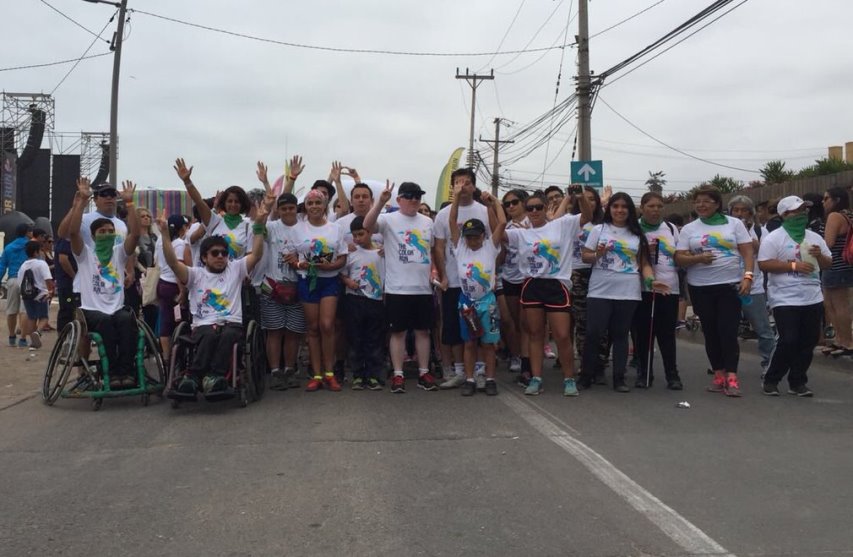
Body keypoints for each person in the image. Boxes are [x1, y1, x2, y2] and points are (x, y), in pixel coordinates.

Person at [159, 191, 272, 399]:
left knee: (227, 334)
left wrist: (259, 223)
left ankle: (214, 377)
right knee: (209, 333)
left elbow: (255, 254)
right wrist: (165, 235)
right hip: (203, 324)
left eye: (224, 253)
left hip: (231, 322)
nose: (220, 257)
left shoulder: (236, 268)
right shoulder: (195, 274)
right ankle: (192, 377)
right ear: (204, 257)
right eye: (215, 253)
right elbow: (174, 263)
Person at [504, 188, 593, 396]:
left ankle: (569, 379)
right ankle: (536, 378)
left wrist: (579, 197)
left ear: (546, 208)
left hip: (556, 285)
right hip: (532, 285)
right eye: (530, 208)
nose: (534, 211)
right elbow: (497, 235)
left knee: (562, 335)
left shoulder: (562, 224)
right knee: (535, 334)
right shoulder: (521, 233)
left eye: (538, 207)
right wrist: (493, 208)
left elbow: (587, 216)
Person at [580, 192, 666, 392]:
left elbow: (643, 263)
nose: (619, 210)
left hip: (628, 291)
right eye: (615, 206)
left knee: (620, 335)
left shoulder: (636, 234)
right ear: (609, 209)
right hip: (599, 290)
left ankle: (619, 378)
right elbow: (585, 257)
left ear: (630, 210)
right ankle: (586, 375)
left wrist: (651, 281)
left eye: (624, 207)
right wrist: (597, 254)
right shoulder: (598, 230)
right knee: (594, 333)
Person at [675, 185, 754, 397]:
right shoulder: (690, 229)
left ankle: (732, 377)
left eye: (706, 201)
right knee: (710, 332)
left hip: (729, 285)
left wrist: (747, 277)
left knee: (728, 331)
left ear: (717, 204)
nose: (701, 205)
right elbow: (679, 257)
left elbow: (747, 252)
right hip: (700, 288)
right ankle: (718, 374)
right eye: (697, 201)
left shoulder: (734, 224)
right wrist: (698, 259)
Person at [363, 180, 439, 393]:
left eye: (418, 196)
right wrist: (380, 202)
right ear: (399, 199)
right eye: (409, 196)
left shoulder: (427, 222)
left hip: (423, 288)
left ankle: (424, 372)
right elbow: (367, 225)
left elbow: (431, 251)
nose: (414, 200)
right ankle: (398, 374)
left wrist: (434, 272)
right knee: (398, 333)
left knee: (423, 332)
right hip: (397, 288)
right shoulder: (388, 219)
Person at [67, 178, 141, 388]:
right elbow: (72, 232)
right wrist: (82, 200)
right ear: (94, 235)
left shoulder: (118, 254)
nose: (107, 235)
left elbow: (135, 234)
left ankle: (125, 372)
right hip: (92, 310)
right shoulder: (85, 255)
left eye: (110, 232)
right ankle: (110, 372)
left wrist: (129, 203)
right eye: (102, 232)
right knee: (107, 325)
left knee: (128, 321)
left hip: (116, 308)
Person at [758, 196, 833, 396]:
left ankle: (797, 381)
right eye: (796, 211)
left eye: (804, 211)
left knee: (808, 341)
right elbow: (763, 264)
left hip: (812, 296)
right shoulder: (774, 238)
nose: (801, 215)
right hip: (784, 297)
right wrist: (793, 266)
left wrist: (819, 256)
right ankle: (771, 378)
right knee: (788, 339)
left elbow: (828, 264)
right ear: (784, 215)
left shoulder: (814, 238)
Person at [433, 168, 491, 389]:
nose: (462, 186)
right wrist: (444, 275)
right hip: (454, 281)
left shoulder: (484, 212)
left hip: (479, 284)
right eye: (458, 182)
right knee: (453, 328)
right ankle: (456, 370)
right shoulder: (443, 214)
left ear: (474, 186)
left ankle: (479, 370)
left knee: (480, 328)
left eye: (467, 182)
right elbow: (439, 247)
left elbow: (494, 242)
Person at [287, 187, 348, 392]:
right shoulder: (297, 229)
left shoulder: (336, 228)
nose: (314, 207)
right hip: (308, 280)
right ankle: (317, 374)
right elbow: (291, 257)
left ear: (325, 206)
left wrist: (331, 266)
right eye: (310, 203)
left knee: (327, 324)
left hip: (329, 280)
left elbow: (342, 257)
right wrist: (298, 265)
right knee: (312, 328)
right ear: (306, 206)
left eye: (318, 203)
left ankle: (330, 373)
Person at [448, 183, 506, 396]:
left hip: (487, 302)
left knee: (489, 344)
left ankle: (490, 379)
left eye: (477, 236)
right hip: (466, 303)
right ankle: (470, 379)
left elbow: (502, 222)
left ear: (483, 235)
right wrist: (456, 197)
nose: (473, 240)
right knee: (469, 344)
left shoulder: (491, 247)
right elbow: (452, 222)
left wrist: (494, 203)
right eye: (469, 236)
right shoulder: (460, 249)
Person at [255, 192, 307, 391]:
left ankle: (290, 369)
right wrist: (264, 210)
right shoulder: (272, 227)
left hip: (297, 286)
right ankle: (275, 371)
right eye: (283, 208)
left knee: (293, 333)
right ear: (278, 209)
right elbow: (257, 229)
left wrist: (298, 258)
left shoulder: (304, 228)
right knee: (274, 332)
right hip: (272, 286)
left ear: (296, 208)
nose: (287, 212)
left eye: (291, 208)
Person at [633, 192, 682, 390]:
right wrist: (645, 252)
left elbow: (679, 253)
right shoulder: (634, 228)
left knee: (667, 334)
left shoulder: (670, 228)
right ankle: (644, 373)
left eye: (659, 206)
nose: (655, 210)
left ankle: (672, 374)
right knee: (644, 334)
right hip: (641, 288)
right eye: (651, 206)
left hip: (669, 287)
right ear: (643, 207)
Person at [728, 195, 776, 374]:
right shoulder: (725, 229)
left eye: (744, 210)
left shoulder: (759, 230)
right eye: (736, 210)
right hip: (728, 284)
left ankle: (770, 364)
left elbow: (767, 253)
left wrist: (749, 237)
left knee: (763, 328)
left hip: (752, 286)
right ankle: (726, 364)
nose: (740, 214)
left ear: (751, 213)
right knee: (727, 329)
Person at [340, 216, 386, 391]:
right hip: (354, 300)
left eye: (361, 234)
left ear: (370, 232)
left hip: (375, 300)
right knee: (355, 338)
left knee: (374, 339)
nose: (357, 239)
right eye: (355, 235)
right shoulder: (351, 254)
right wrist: (348, 282)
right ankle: (358, 375)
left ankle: (374, 375)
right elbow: (342, 273)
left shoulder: (380, 253)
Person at [498, 189, 530, 381]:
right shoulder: (507, 226)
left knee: (527, 323)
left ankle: (528, 359)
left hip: (528, 278)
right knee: (511, 321)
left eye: (514, 202)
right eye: (507, 204)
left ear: (524, 202)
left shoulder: (533, 222)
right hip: (509, 277)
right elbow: (501, 257)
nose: (511, 206)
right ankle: (516, 356)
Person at [821, 186, 853, 356]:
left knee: (837, 305)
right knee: (833, 304)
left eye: (826, 199)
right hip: (845, 265)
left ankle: (846, 341)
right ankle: (841, 340)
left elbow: (829, 243)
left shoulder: (834, 216)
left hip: (835, 264)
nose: (823, 202)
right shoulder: (849, 215)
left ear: (836, 200)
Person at [155, 214, 191, 356]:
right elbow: (178, 268)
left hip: (162, 283)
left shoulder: (160, 240)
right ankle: (178, 358)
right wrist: (182, 291)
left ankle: (166, 358)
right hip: (174, 286)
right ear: (182, 228)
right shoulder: (179, 244)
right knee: (178, 324)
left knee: (165, 322)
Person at [0, 223, 33, 347]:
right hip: (27, 280)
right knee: (24, 310)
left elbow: (2, 266)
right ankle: (23, 339)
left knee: (11, 310)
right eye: (30, 231)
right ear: (26, 232)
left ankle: (11, 336)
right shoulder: (30, 246)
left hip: (13, 279)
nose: (31, 233)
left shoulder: (9, 247)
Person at [17, 240, 54, 348]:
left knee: (32, 317)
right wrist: (51, 291)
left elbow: (20, 282)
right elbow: (48, 279)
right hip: (41, 294)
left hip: (27, 296)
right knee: (44, 317)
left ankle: (33, 342)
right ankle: (37, 332)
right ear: (36, 252)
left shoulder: (23, 266)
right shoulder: (41, 264)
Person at [53, 233, 77, 332]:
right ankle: (63, 336)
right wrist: (75, 276)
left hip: (70, 284)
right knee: (67, 309)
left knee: (73, 309)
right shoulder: (66, 240)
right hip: (67, 284)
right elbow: (63, 260)